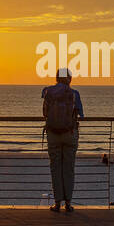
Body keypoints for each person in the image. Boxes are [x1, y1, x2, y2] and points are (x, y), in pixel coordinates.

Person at [41, 67, 84, 212]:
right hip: (69, 134)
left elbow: (45, 113)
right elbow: (80, 114)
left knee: (55, 168)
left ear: (57, 78)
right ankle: (68, 203)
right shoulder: (74, 94)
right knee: (69, 168)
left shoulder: (48, 92)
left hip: (53, 134)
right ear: (70, 79)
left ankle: (57, 203)